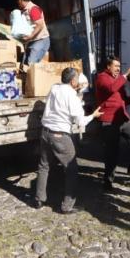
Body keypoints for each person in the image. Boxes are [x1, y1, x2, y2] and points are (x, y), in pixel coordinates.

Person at [34, 67, 102, 214]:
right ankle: (67, 206)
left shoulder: (54, 88)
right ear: (73, 81)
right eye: (77, 79)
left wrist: (77, 93)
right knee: (71, 169)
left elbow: (62, 101)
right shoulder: (72, 97)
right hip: (60, 135)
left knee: (44, 166)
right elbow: (80, 122)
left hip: (45, 132)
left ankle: (39, 198)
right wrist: (93, 115)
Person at [95, 56, 130, 191]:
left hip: (123, 117)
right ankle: (108, 180)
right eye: (115, 66)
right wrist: (126, 75)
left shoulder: (118, 80)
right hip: (108, 120)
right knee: (111, 152)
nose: (118, 69)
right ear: (108, 67)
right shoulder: (102, 77)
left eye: (119, 66)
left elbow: (122, 100)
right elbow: (111, 88)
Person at [17, 0, 50, 66]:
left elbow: (40, 25)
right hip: (32, 42)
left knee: (31, 65)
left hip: (40, 41)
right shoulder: (25, 11)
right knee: (24, 65)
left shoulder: (33, 9)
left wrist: (30, 36)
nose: (17, 2)